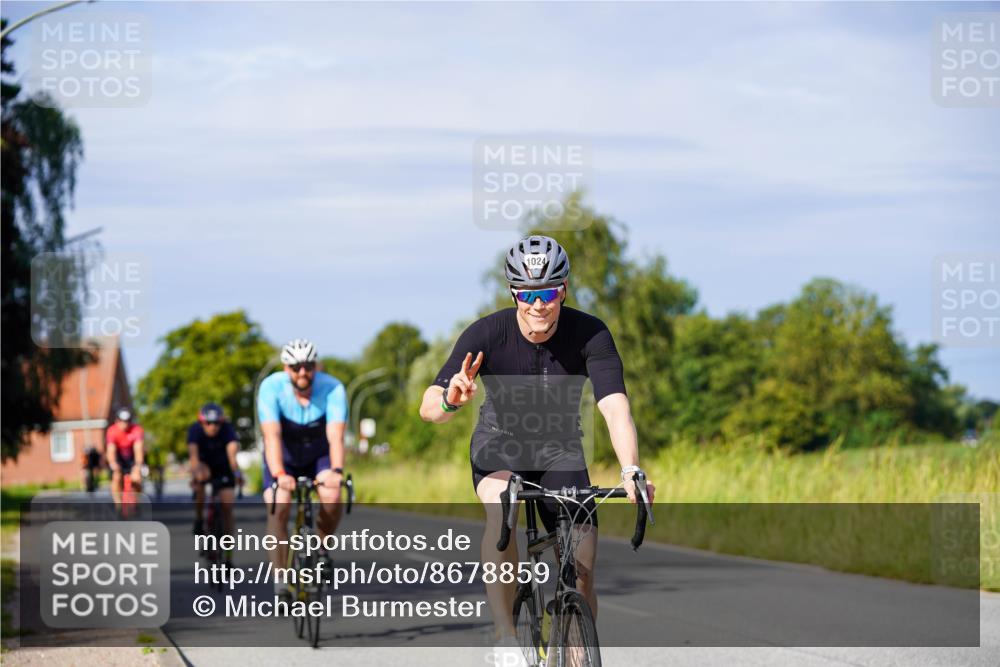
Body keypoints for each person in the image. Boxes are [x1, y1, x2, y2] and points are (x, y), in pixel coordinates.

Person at [418, 235, 655, 664]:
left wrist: (631, 469)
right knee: (502, 508)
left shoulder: (591, 333)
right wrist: (452, 398)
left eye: (548, 292)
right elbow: (428, 408)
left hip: (560, 450)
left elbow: (614, 405)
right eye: (527, 294)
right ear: (513, 293)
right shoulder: (487, 333)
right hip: (499, 447)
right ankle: (506, 637)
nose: (538, 304)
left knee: (582, 568)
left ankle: (579, 653)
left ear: (563, 289)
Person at [258, 338, 347, 596]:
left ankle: (320, 548)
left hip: (318, 454)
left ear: (315, 366)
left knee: (332, 495)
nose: (302, 372)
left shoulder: (333, 388)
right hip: (283, 457)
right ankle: (280, 581)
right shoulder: (271, 387)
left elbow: (335, 437)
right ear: (286, 368)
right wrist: (279, 474)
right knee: (280, 505)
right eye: (295, 367)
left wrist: (337, 472)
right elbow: (271, 436)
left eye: (307, 366)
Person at [189, 402, 241, 536]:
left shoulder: (227, 429)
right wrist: (195, 474)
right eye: (208, 423)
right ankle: (199, 518)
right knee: (200, 478)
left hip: (223, 468)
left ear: (221, 422)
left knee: (227, 507)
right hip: (204, 466)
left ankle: (228, 545)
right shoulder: (195, 430)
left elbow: (232, 455)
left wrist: (237, 473)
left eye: (216, 423)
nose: (213, 426)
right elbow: (193, 457)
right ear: (201, 422)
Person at [105, 407, 145, 508]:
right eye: (122, 421)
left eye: (127, 421)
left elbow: (138, 449)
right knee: (116, 477)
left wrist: (138, 466)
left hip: (132, 458)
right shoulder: (112, 431)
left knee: (136, 479)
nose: (125, 424)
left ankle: (137, 500)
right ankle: (118, 505)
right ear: (117, 421)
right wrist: (113, 464)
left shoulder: (136, 430)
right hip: (119, 458)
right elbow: (111, 450)